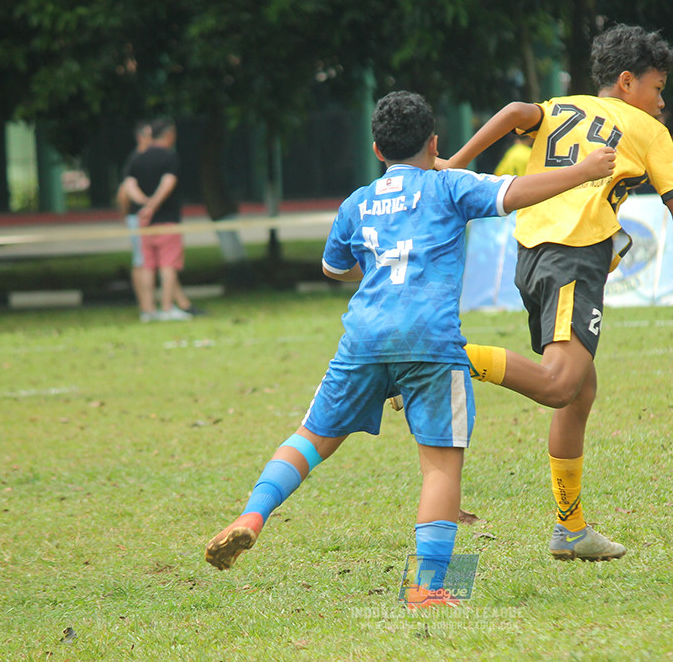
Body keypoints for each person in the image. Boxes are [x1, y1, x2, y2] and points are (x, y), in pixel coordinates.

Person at [203, 91, 618, 602]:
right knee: (440, 466)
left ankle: (253, 513)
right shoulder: (448, 186)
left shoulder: (357, 202)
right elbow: (517, 192)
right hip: (431, 341)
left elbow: (336, 269)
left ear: (377, 149)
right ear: (435, 142)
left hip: (363, 339)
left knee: (311, 438)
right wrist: (586, 169)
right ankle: (427, 589)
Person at [439, 24, 673, 563]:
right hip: (574, 254)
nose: (662, 99)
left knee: (580, 393)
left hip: (532, 250)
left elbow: (513, 112)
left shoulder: (562, 104)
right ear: (627, 82)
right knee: (560, 386)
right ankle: (443, 358)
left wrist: (455, 163)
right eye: (658, 86)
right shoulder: (645, 128)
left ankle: (570, 529)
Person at [122, 118, 195, 321]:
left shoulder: (137, 158)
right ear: (169, 134)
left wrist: (143, 205)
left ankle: (147, 310)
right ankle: (166, 308)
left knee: (146, 266)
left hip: (144, 223)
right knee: (168, 265)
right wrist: (153, 205)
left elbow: (129, 185)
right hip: (166, 220)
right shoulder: (170, 158)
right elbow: (167, 183)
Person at [116, 121, 155, 322]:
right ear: (141, 137)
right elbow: (123, 193)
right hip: (137, 217)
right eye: (150, 135)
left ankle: (152, 306)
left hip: (147, 217)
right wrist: (128, 216)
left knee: (150, 261)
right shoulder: (134, 161)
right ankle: (145, 308)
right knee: (140, 261)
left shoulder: (149, 159)